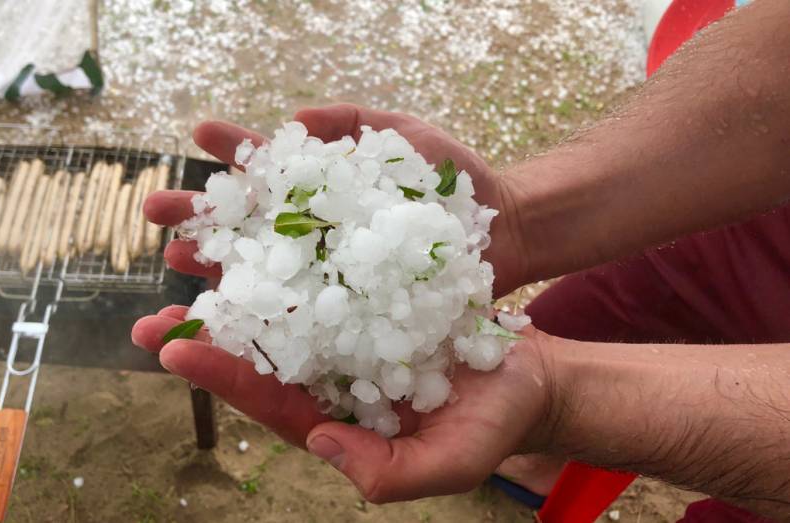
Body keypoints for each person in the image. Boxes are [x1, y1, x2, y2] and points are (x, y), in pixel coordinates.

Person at [131, 0, 790, 520]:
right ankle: (535, 467)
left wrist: (562, 395)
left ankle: (538, 445)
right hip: (761, 216)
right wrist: (521, 213)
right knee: (588, 313)